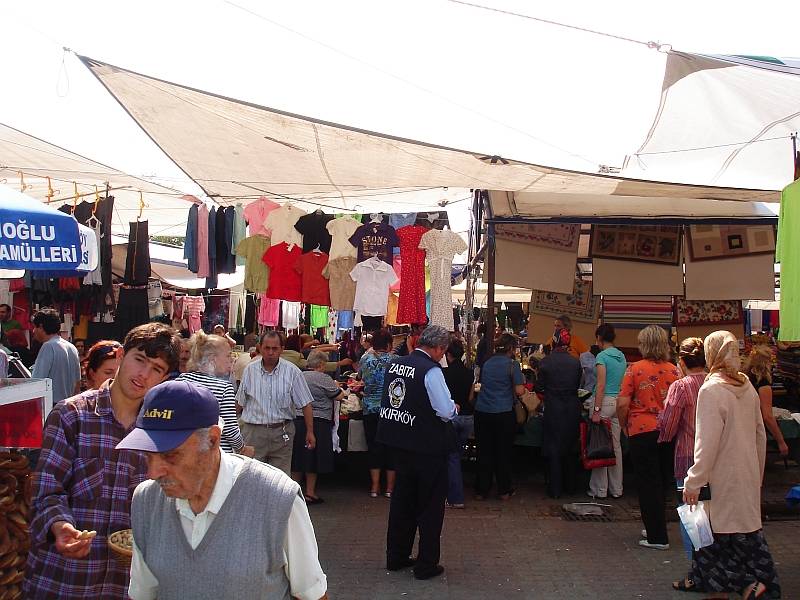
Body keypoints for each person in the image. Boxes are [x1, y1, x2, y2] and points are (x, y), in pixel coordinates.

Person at [119, 381, 328, 600]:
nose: (153, 473)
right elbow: (143, 593)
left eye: (171, 455)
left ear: (212, 440)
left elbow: (311, 594)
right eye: (148, 455)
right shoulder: (146, 500)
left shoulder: (278, 498)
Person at [25, 323, 180, 600]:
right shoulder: (72, 415)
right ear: (121, 356)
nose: (143, 374)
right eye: (140, 360)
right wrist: (60, 526)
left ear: (164, 378)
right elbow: (46, 490)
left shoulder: (160, 432)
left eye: (156, 369)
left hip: (126, 585)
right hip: (64, 579)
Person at [683, 331, 780, 599]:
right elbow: (760, 434)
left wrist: (693, 481)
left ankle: (746, 585)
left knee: (713, 555)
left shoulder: (712, 389)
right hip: (745, 480)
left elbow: (706, 443)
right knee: (744, 542)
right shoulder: (747, 386)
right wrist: (756, 475)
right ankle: (752, 584)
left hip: (721, 484)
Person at [376, 325, 457, 580]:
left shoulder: (396, 364)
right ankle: (426, 564)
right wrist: (454, 408)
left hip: (400, 443)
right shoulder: (431, 370)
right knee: (430, 508)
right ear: (439, 349)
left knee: (403, 503)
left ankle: (396, 555)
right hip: (427, 447)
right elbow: (444, 410)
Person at [617, 325, 681, 550]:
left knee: (647, 483)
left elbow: (623, 403)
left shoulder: (634, 369)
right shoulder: (674, 370)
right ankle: (655, 526)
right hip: (667, 431)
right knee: (662, 482)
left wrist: (624, 425)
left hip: (642, 430)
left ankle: (657, 536)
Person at [656, 337, 707, 591]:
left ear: (682, 360)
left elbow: (668, 426)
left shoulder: (681, 386)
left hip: (688, 456)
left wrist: (661, 429)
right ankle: (715, 568)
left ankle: (697, 573)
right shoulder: (715, 382)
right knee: (713, 516)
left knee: (692, 517)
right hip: (716, 458)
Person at [236, 331, 316, 475]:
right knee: (251, 478)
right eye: (267, 348)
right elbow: (240, 403)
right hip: (254, 433)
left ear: (282, 349)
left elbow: (306, 404)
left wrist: (310, 432)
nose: (271, 353)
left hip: (282, 433)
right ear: (260, 348)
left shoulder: (293, 372)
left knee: (280, 481)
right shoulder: (250, 370)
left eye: (275, 349)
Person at [176, 330, 253, 456]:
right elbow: (230, 429)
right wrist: (243, 448)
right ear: (213, 359)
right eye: (228, 355)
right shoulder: (224, 388)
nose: (231, 359)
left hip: (186, 451)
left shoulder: (181, 380)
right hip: (216, 455)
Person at [473, 333, 524, 500]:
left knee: (484, 451)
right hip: (503, 412)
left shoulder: (488, 363)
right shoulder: (513, 365)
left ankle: (482, 490)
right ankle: (504, 490)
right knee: (503, 452)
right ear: (511, 348)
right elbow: (519, 391)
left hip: (483, 412)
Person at [292, 350, 345, 504]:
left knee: (298, 458)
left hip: (297, 419)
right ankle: (310, 492)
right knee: (312, 460)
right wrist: (338, 387)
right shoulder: (324, 378)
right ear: (321, 364)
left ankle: (294, 493)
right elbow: (339, 396)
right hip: (319, 422)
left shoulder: (298, 376)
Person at [536, 328, 583, 499]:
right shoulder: (575, 362)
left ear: (554, 342)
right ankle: (570, 487)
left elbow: (539, 387)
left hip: (554, 407)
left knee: (554, 448)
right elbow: (579, 384)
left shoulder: (546, 362)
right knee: (570, 447)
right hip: (572, 406)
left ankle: (555, 489)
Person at [586, 325, 627, 499]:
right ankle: (617, 489)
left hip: (604, 402)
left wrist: (596, 409)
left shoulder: (602, 356)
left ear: (599, 338)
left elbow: (601, 385)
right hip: (618, 402)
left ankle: (599, 489)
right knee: (615, 446)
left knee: (600, 445)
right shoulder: (621, 356)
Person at [358, 329, 396, 497]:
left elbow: (361, 379)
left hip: (371, 409)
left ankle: (374, 488)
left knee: (374, 447)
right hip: (391, 410)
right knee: (391, 448)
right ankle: (389, 488)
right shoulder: (397, 361)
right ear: (388, 345)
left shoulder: (365, 359)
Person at [443, 338, 474, 509]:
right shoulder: (469, 373)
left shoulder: (444, 373)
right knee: (456, 455)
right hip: (468, 418)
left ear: (448, 354)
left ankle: (455, 497)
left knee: (452, 457)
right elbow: (470, 397)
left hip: (453, 418)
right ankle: (455, 488)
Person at [745, 345, 789, 457]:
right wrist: (781, 441)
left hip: (745, 423)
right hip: (757, 426)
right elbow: (767, 416)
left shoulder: (746, 377)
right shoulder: (763, 383)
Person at [31, 308, 81, 404]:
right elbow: (77, 383)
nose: (33, 331)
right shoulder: (71, 347)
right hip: (69, 405)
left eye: (35, 327)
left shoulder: (48, 346)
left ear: (41, 327)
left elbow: (37, 381)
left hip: (52, 405)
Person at [282, 333, 352, 372]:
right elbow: (314, 365)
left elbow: (316, 348)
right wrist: (340, 363)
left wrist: (332, 346)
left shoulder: (282, 354)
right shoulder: (296, 357)